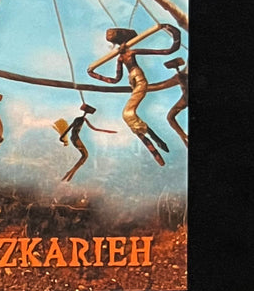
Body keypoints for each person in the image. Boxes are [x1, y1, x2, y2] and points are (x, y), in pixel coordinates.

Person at [87, 25, 181, 165]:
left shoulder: (132, 52)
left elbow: (167, 51)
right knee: (129, 116)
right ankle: (154, 142)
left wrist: (172, 31)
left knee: (127, 114)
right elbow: (116, 79)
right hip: (134, 83)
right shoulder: (120, 59)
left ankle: (155, 140)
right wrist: (94, 74)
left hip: (140, 82)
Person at [55, 102, 116, 182]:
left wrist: (62, 138)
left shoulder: (77, 119)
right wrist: (107, 131)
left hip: (72, 138)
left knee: (84, 156)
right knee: (85, 155)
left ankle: (71, 172)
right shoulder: (83, 119)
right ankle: (71, 172)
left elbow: (68, 129)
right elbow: (94, 128)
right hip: (76, 138)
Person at [164, 57, 188, 148]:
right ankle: (185, 138)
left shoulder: (180, 76)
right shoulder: (180, 75)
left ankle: (185, 138)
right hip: (185, 97)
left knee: (170, 117)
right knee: (170, 117)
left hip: (185, 97)